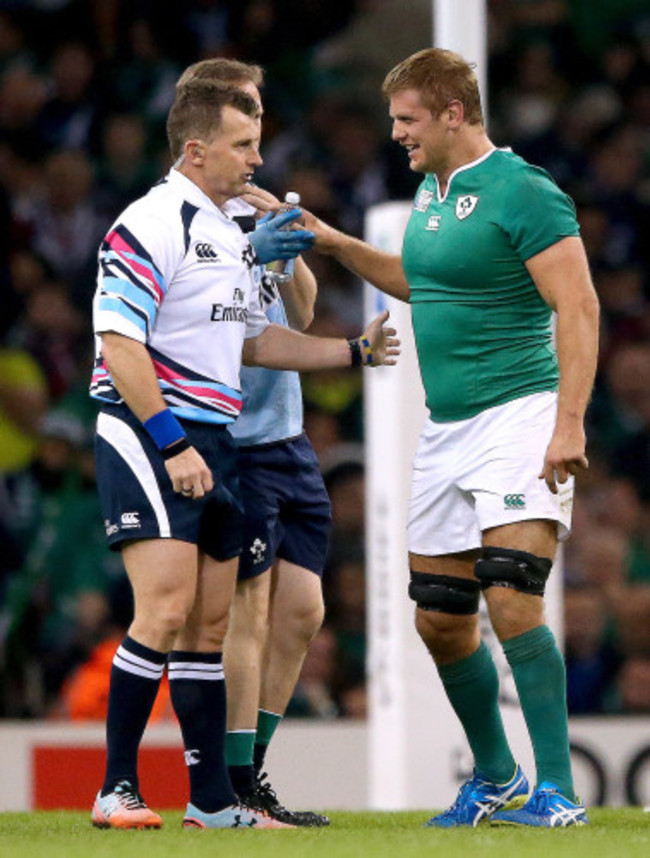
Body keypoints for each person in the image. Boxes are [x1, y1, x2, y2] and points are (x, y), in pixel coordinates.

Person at [88, 79, 398, 831]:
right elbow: (118, 340)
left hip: (220, 438)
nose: (258, 158)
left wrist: (350, 352)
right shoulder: (149, 222)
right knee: (162, 609)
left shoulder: (228, 234)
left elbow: (254, 340)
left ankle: (213, 802)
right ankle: (116, 789)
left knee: (208, 629)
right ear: (195, 150)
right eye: (243, 145)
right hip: (149, 427)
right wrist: (170, 442)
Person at [301, 47, 599, 828]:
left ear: (454, 114)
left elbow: (579, 307)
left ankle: (559, 790)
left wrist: (569, 420)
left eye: (407, 120)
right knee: (438, 613)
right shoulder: (432, 193)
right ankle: (495, 777)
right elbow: (418, 281)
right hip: (446, 427)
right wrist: (333, 243)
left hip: (521, 414)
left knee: (511, 594)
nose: (396, 134)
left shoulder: (526, 192)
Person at [175, 57, 331, 827]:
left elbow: (301, 315)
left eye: (260, 120)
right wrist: (248, 252)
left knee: (303, 611)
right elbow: (222, 336)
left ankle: (251, 776)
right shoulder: (190, 220)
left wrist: (290, 244)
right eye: (246, 123)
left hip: (289, 434)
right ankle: (235, 786)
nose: (257, 146)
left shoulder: (258, 206)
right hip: (232, 437)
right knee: (250, 612)